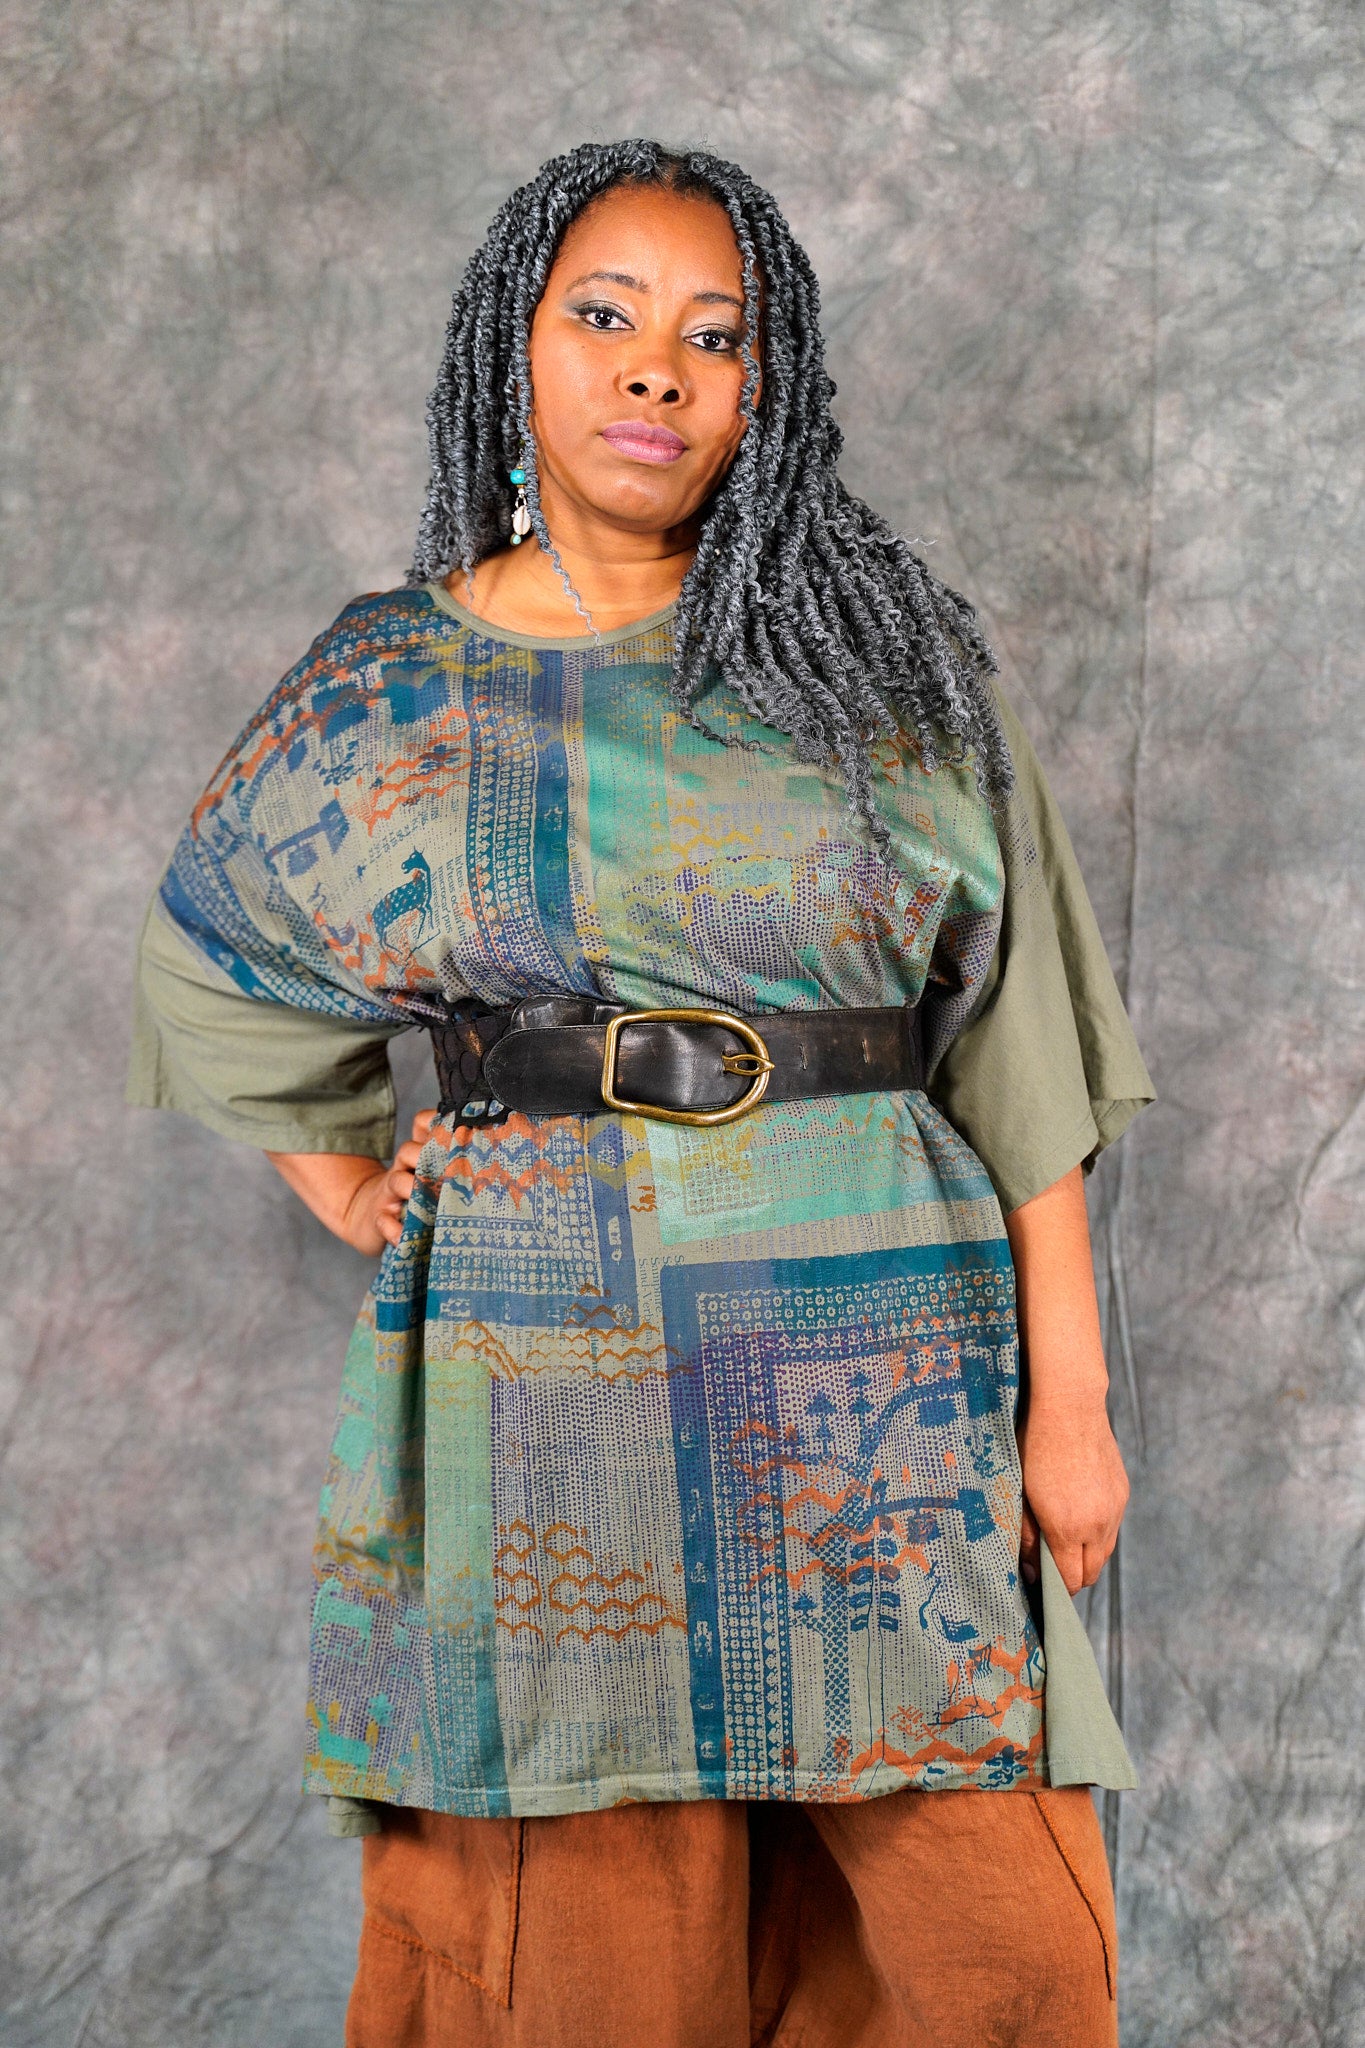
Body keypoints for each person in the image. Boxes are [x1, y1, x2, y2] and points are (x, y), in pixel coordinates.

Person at [128, 138, 1154, 2048]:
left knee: (999, 1950)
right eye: (602, 316)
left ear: (767, 390)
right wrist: (350, 1187)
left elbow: (1025, 1040)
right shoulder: (389, 681)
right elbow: (215, 956)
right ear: (512, 350)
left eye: (713, 334)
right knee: (589, 1965)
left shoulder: (886, 665)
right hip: (544, 1381)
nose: (655, 370)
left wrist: (1071, 1404)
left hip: (881, 1380)